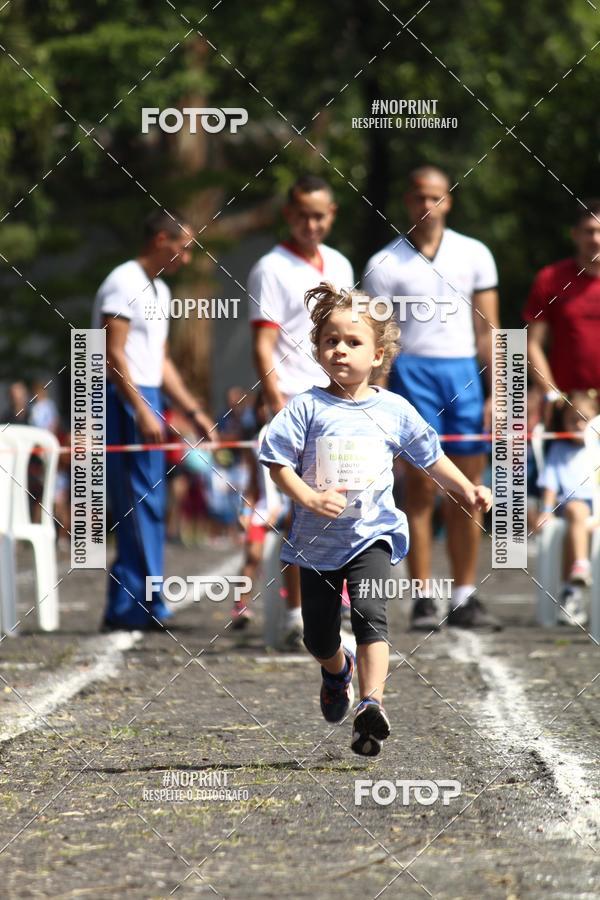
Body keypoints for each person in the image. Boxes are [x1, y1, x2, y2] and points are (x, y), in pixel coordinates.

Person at [259, 282, 492, 757]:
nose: (340, 349)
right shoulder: (306, 406)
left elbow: (431, 457)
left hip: (373, 536)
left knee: (370, 616)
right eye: (330, 341)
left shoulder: (394, 409)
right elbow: (275, 459)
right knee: (318, 636)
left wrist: (466, 488)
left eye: (353, 341)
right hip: (316, 543)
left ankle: (371, 705)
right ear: (317, 349)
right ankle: (335, 671)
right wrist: (306, 496)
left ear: (379, 353)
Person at [363, 165, 500, 631]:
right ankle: (423, 596)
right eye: (419, 196)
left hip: (462, 372)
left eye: (436, 197)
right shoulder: (384, 263)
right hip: (411, 373)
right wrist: (375, 396)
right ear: (407, 201)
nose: (428, 206)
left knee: (467, 487)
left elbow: (488, 331)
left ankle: (465, 595)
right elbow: (378, 340)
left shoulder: (475, 253)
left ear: (449, 201)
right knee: (419, 488)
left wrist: (496, 393)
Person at [92, 209, 215, 631]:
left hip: (150, 393)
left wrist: (194, 411)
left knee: (149, 502)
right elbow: (113, 352)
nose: (188, 258)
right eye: (184, 247)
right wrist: (141, 408)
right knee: (139, 502)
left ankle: (128, 607)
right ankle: (147, 603)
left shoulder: (160, 291)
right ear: (161, 240)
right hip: (123, 395)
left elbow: (159, 360)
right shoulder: (122, 282)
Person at [248, 174, 354, 648]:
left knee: (342, 505)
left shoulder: (340, 264)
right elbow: (263, 343)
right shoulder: (270, 268)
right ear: (288, 215)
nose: (311, 223)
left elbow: (352, 334)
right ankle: (295, 613)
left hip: (337, 402)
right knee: (300, 511)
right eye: (302, 214)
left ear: (332, 215)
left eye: (320, 214)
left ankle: (338, 606)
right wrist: (276, 405)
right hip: (293, 402)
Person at [525, 200, 600, 401]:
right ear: (574, 234)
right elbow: (531, 344)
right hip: (568, 406)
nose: (596, 239)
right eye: (589, 231)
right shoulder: (550, 279)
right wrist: (551, 394)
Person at [536, 390, 599, 626]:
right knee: (576, 511)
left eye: (585, 419)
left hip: (598, 508)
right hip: (573, 507)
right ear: (563, 422)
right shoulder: (558, 452)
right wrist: (546, 509)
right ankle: (577, 576)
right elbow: (551, 484)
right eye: (573, 420)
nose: (579, 425)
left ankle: (574, 587)